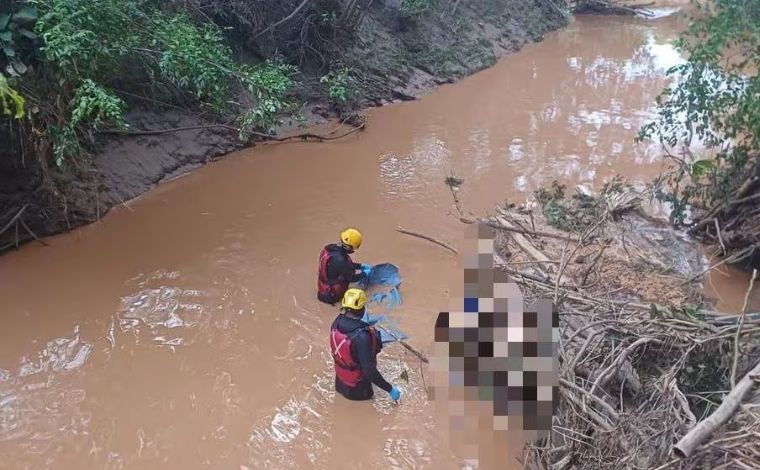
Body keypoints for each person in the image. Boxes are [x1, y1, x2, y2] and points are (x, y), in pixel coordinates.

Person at [330, 288, 401, 402]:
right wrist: (390, 389)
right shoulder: (362, 337)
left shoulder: (336, 323)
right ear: (361, 309)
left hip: (339, 384)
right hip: (359, 392)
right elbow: (370, 371)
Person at [317, 228, 371, 305]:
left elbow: (339, 266)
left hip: (322, 290)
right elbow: (352, 278)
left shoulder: (329, 248)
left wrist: (360, 266)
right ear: (350, 248)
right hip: (332, 297)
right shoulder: (342, 261)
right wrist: (365, 274)